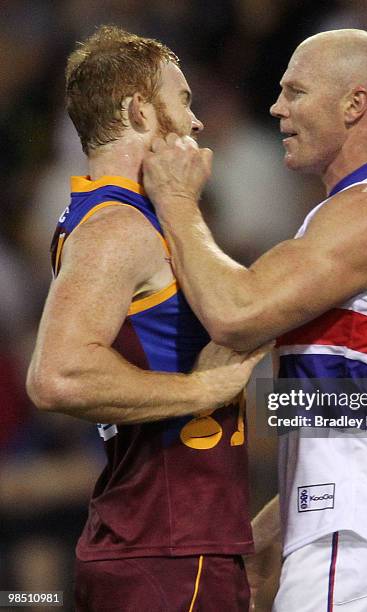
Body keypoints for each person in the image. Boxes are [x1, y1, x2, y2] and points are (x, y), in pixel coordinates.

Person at [142, 29, 367, 611]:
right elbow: (364, 407)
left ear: (354, 104)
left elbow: (236, 314)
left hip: (361, 540)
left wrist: (175, 200)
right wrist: (273, 525)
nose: (276, 107)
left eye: (295, 91)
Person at [26, 26, 269, 612]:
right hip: (164, 552)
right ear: (140, 111)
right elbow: (56, 375)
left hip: (175, 547)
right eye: (183, 101)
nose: (197, 122)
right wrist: (199, 390)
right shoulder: (118, 227)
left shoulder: (129, 219)